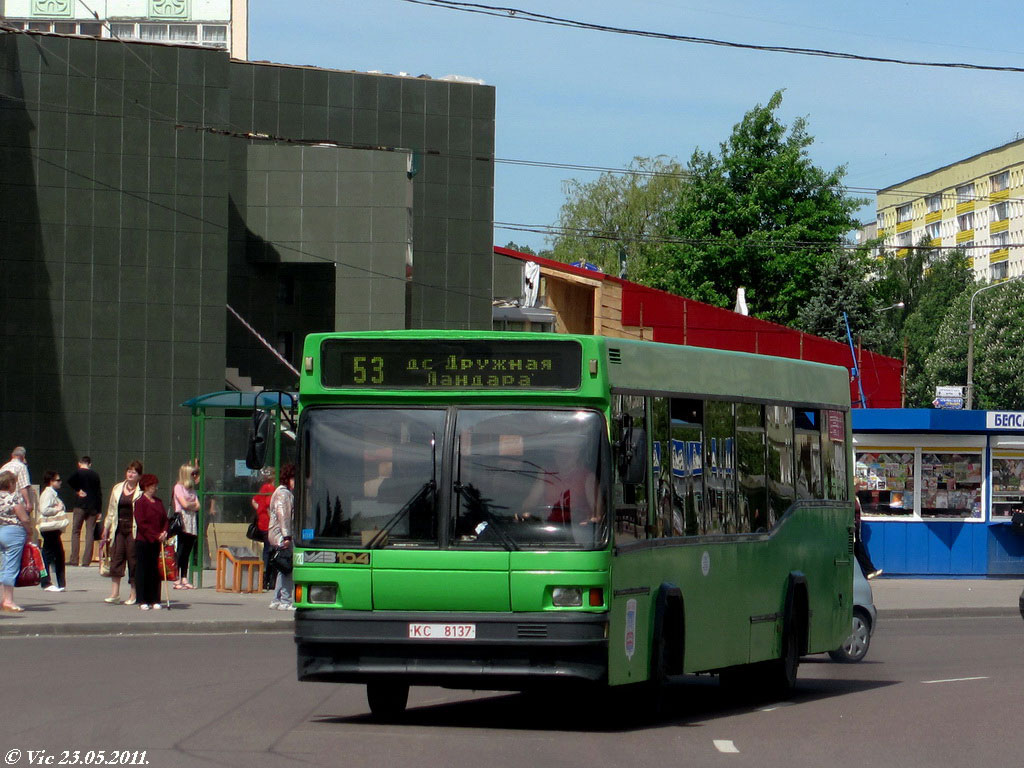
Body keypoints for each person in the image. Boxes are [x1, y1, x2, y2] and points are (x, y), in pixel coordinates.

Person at [101, 461, 143, 605]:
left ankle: (133, 594)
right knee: (117, 558)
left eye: (134, 472)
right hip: (118, 528)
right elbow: (111, 510)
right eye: (129, 471)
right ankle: (115, 593)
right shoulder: (118, 488)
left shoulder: (141, 491)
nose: (130, 474)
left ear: (139, 476)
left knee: (133, 560)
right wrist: (106, 529)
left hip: (133, 529)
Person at [132, 474, 168, 611]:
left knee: (154, 569)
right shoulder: (140, 502)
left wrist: (164, 532)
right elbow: (141, 523)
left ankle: (155, 598)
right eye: (154, 486)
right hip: (144, 540)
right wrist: (155, 535)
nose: (156, 488)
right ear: (146, 486)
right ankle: (142, 599)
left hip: (157, 541)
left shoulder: (158, 502)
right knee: (143, 569)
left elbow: (165, 519)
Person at [0, 470, 32, 612]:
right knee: (11, 566)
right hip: (13, 533)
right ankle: (8, 600)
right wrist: (29, 532)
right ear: (10, 483)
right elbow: (24, 518)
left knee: (3, 566)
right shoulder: (12, 498)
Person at [267, 463, 295, 611]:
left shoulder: (281, 492)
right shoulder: (284, 494)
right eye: (294, 478)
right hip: (282, 536)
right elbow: (283, 516)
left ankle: (277, 599)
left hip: (277, 535)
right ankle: (286, 600)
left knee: (282, 567)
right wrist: (287, 536)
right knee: (287, 568)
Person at [67, 456, 102, 567]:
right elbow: (99, 493)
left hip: (80, 505)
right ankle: (86, 560)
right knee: (90, 533)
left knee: (76, 531)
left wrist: (78, 490)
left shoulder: (78, 472)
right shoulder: (95, 475)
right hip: (93, 507)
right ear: (90, 464)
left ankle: (74, 559)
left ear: (79, 463)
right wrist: (99, 510)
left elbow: (69, 480)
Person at [37, 470, 68, 592]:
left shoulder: (52, 493)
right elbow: (44, 510)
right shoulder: (48, 494)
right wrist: (57, 509)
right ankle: (46, 582)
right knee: (48, 555)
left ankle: (60, 583)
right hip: (50, 529)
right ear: (51, 481)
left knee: (58, 555)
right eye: (57, 480)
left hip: (54, 529)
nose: (60, 482)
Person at [171, 463, 200, 590]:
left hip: (192, 519)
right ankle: (176, 578)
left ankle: (184, 577)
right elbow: (184, 504)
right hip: (182, 519)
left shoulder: (191, 489)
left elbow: (198, 505)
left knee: (188, 549)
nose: (195, 476)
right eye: (192, 474)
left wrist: (191, 504)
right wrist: (191, 504)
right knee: (181, 549)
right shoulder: (178, 487)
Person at [251, 467, 274, 589]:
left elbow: (254, 501)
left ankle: (266, 577)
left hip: (264, 521)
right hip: (268, 523)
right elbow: (269, 506)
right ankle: (267, 577)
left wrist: (260, 512)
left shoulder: (265, 487)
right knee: (269, 550)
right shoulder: (269, 488)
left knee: (267, 549)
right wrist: (267, 514)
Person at [854, 497, 883, 580]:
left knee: (858, 549)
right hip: (852, 528)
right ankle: (869, 571)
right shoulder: (851, 498)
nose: (859, 488)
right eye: (857, 486)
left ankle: (869, 571)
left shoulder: (855, 498)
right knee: (858, 549)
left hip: (855, 528)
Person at [0, 446, 33, 512]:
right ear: (23, 456)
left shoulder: (4, 467)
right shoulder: (21, 467)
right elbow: (23, 486)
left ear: (12, 455)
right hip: (16, 502)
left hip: (3, 502)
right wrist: (28, 503)